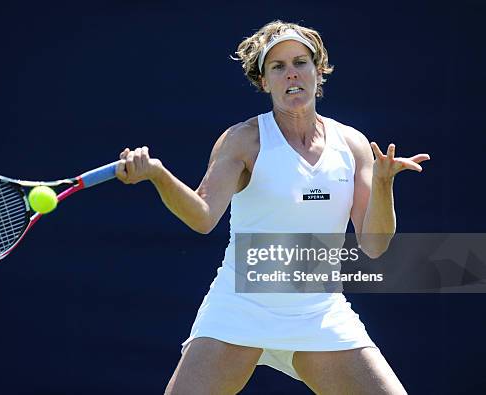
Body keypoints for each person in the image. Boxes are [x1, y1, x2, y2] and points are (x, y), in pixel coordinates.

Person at [115, 20, 430, 394]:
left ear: (319, 71)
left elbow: (374, 245)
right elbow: (202, 216)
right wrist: (158, 175)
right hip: (240, 306)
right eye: (277, 67)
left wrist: (382, 185)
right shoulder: (243, 140)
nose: (291, 74)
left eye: (300, 62)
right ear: (264, 81)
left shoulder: (353, 144)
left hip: (319, 310)